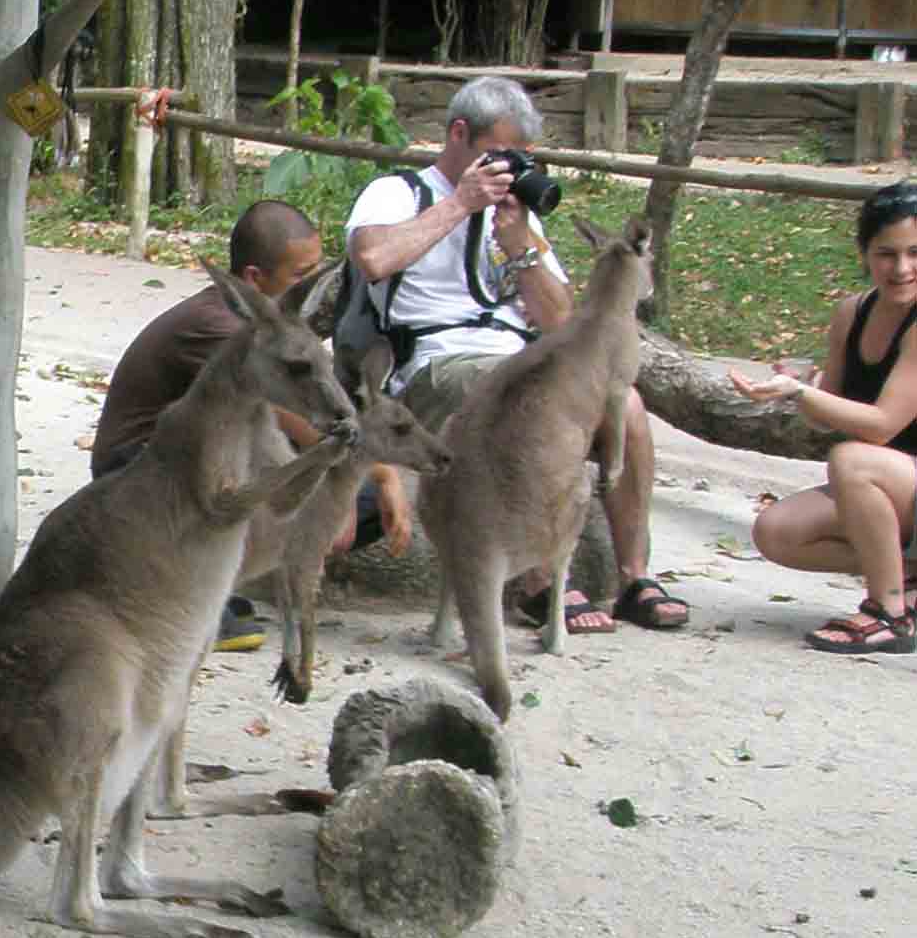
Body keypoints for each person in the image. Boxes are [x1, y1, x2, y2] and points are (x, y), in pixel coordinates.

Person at [345, 74, 688, 635]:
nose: (511, 173)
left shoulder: (520, 221)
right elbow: (374, 258)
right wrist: (460, 204)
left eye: (522, 160)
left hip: (524, 360)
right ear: (460, 134)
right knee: (525, 407)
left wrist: (521, 250)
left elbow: (562, 324)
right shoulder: (399, 192)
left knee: (626, 411)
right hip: (436, 366)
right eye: (500, 156)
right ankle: (538, 584)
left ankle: (633, 576)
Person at [89, 199, 411, 650]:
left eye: (318, 273)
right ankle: (191, 592)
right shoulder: (226, 329)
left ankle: (224, 579)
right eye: (301, 276)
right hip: (143, 473)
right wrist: (376, 470)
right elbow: (301, 422)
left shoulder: (277, 328)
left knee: (366, 500)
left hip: (222, 456)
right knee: (348, 489)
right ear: (255, 281)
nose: (313, 289)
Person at [728, 180, 917, 653]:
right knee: (775, 531)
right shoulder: (850, 313)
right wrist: (800, 394)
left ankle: (889, 612)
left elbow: (880, 425)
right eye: (886, 254)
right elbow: (825, 419)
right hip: (892, 488)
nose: (902, 269)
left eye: (915, 253)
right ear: (864, 254)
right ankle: (906, 578)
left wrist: (802, 394)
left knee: (852, 459)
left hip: (888, 476)